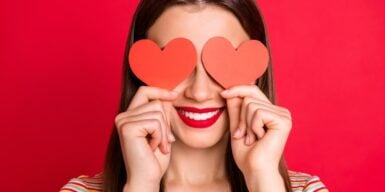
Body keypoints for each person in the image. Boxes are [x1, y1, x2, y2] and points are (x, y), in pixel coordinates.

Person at [60, 0, 329, 191]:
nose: (199, 93)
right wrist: (143, 185)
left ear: (255, 73)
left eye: (221, 65)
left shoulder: (303, 189)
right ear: (141, 72)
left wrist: (262, 179)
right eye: (179, 65)